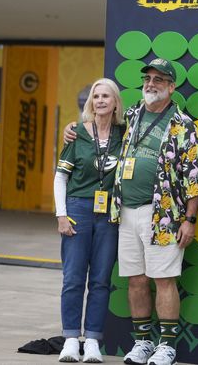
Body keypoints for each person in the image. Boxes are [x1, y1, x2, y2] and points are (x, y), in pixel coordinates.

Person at [64, 58, 198, 365]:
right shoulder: (130, 116)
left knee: (164, 279)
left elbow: (194, 177)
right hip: (125, 212)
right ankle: (142, 343)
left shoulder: (183, 124)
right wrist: (73, 129)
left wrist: (190, 219)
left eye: (159, 79)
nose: (151, 83)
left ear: (172, 86)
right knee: (136, 280)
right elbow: (97, 131)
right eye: (148, 78)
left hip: (164, 215)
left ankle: (166, 346)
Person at [55, 78, 125, 363]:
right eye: (95, 96)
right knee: (73, 277)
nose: (100, 101)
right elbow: (61, 176)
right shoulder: (77, 134)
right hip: (78, 208)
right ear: (89, 102)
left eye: (106, 96)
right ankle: (71, 339)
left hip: (109, 213)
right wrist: (61, 215)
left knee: (100, 280)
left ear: (115, 102)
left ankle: (93, 340)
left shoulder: (126, 134)